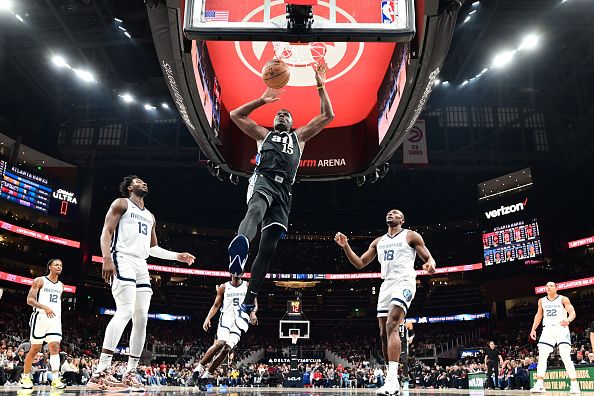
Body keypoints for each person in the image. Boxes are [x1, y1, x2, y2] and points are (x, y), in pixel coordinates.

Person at [226, 62, 334, 345]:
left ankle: (249, 300)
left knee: (269, 248)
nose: (282, 114)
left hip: (285, 190)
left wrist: (320, 83)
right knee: (256, 208)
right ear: (273, 121)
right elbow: (236, 114)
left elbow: (328, 115)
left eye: (287, 113)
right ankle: (239, 249)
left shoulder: (300, 137)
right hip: (263, 180)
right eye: (279, 113)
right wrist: (262, 100)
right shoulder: (264, 135)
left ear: (291, 121)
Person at [87, 175, 195, 391]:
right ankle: (100, 372)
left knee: (141, 319)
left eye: (145, 181)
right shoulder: (121, 203)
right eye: (138, 181)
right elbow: (106, 231)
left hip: (141, 264)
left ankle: (130, 373)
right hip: (122, 258)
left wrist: (177, 256)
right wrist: (106, 257)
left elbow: (152, 249)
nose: (144, 183)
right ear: (129, 187)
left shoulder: (150, 216)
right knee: (125, 311)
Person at [334, 209, 436, 396]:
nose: (391, 214)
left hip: (404, 281)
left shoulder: (410, 235)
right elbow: (359, 263)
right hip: (386, 285)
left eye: (395, 213)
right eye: (389, 213)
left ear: (402, 220)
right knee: (383, 334)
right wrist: (345, 246)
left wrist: (430, 264)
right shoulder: (378, 241)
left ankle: (391, 380)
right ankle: (393, 381)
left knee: (392, 325)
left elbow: (428, 257)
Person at [197, 273, 258, 380]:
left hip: (239, 320)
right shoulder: (224, 286)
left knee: (227, 349)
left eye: (239, 270)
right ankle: (198, 369)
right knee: (220, 343)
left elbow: (254, 303)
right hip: (226, 317)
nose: (237, 272)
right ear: (231, 272)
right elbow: (216, 305)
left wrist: (253, 314)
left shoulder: (247, 285)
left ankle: (206, 376)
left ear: (243, 273)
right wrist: (208, 318)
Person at [19, 259, 66, 390]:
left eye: (61, 265)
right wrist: (44, 307)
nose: (59, 267)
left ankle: (56, 379)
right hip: (40, 318)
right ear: (50, 267)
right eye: (56, 265)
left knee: (55, 347)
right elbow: (29, 300)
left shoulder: (61, 285)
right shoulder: (40, 280)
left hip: (55, 320)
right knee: (35, 349)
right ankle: (25, 377)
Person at [529, 281, 580, 394]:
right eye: (547, 286)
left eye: (551, 286)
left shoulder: (563, 299)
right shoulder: (541, 301)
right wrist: (533, 329)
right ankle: (540, 384)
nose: (549, 287)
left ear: (556, 288)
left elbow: (572, 312)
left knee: (565, 356)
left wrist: (568, 320)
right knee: (542, 356)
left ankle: (574, 384)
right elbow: (538, 315)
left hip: (561, 328)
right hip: (547, 329)